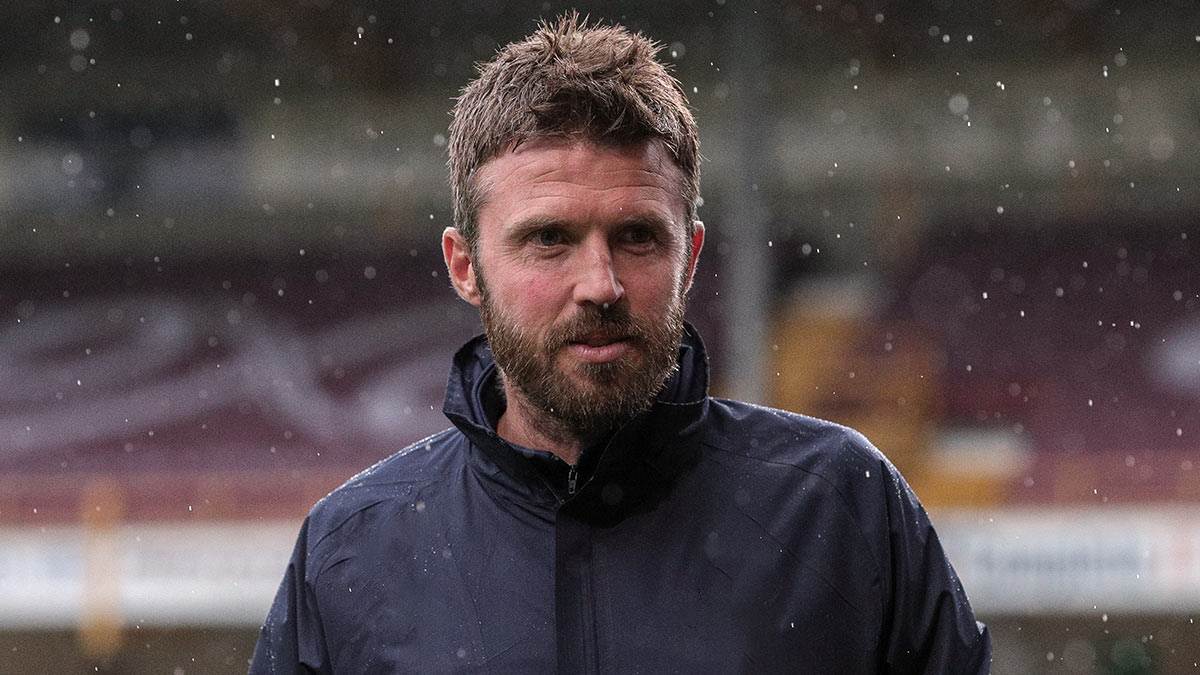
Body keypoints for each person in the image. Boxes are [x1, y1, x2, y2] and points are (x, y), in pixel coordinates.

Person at [250, 13, 991, 674]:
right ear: (465, 266)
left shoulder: (836, 504)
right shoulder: (351, 551)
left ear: (690, 258)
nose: (600, 284)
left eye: (637, 236)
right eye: (549, 239)